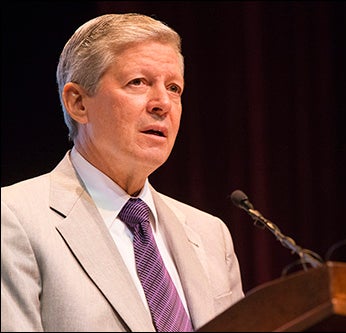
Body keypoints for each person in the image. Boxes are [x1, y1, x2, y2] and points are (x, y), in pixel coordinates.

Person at [1, 13, 245, 332]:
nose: (162, 103)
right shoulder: (14, 219)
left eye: (174, 88)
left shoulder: (211, 234)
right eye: (138, 82)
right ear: (78, 103)